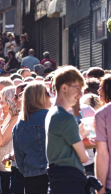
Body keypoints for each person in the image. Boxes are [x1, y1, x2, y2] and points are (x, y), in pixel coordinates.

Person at [45, 66, 89, 194]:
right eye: (77, 89)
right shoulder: (65, 117)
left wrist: (78, 135)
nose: (80, 94)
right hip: (70, 182)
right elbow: (84, 158)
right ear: (64, 88)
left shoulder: (52, 112)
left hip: (58, 180)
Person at [12, 82, 50, 194]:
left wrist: (27, 171)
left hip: (31, 177)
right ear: (41, 97)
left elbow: (18, 158)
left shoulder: (19, 125)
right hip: (52, 174)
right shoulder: (52, 117)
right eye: (47, 93)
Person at [0, 86, 19, 194]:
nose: (0, 105)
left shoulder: (16, 118)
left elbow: (1, 141)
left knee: (7, 188)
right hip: (0, 164)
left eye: (3, 101)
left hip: (8, 164)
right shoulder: (7, 116)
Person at [95, 75, 111, 194]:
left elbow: (102, 154)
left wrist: (100, 188)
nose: (98, 90)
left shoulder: (103, 113)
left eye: (102, 87)